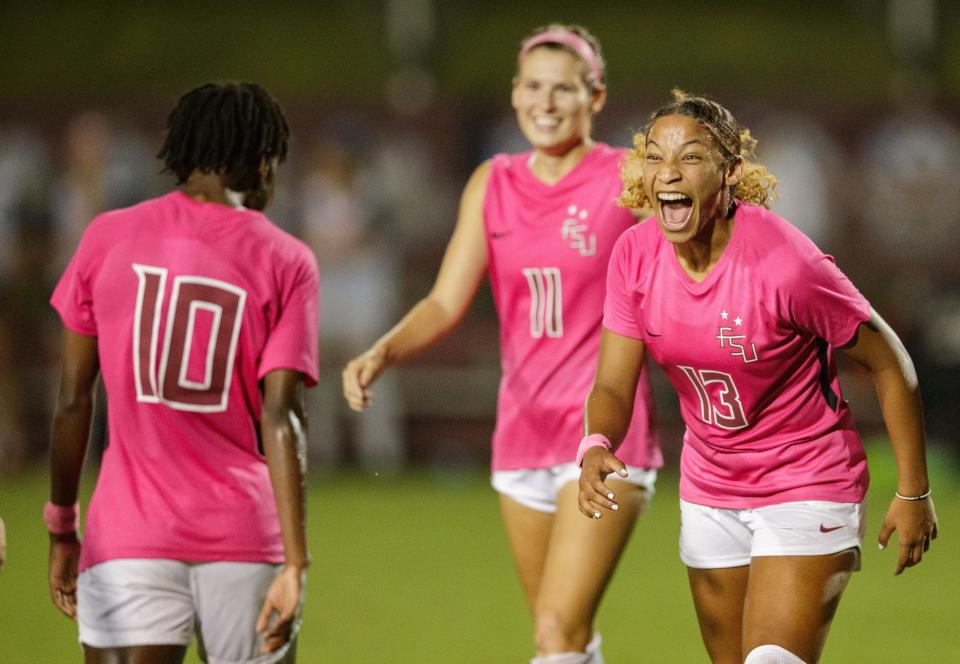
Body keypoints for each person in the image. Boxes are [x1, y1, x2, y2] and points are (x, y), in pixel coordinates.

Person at [578, 90, 939, 664]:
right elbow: (613, 385)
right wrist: (597, 443)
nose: (668, 171)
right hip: (710, 490)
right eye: (654, 155)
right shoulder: (634, 256)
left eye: (692, 157)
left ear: (730, 172)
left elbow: (890, 362)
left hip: (808, 482)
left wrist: (913, 491)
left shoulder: (785, 265)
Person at [342, 24, 661, 663]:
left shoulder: (629, 179)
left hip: (603, 434)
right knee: (560, 637)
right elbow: (443, 302)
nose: (546, 103)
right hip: (521, 433)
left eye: (564, 89)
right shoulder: (493, 182)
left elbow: (692, 265)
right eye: (534, 87)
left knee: (556, 632)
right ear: (515, 95)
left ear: (594, 97)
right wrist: (385, 350)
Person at [46, 81, 319, 664]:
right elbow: (282, 417)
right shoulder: (286, 259)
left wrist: (61, 525)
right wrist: (296, 562)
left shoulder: (105, 236)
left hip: (127, 535)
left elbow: (72, 400)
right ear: (261, 159)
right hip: (244, 535)